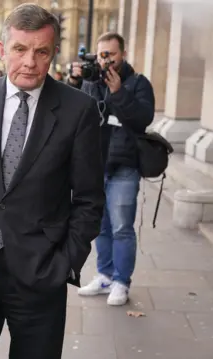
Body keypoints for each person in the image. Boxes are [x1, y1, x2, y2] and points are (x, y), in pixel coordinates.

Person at [0, 3, 104, 359]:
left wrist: (65, 263)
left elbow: (89, 199)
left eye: (41, 52)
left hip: (41, 273)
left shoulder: (79, 110)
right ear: (2, 49)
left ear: (53, 52)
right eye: (20, 49)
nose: (30, 62)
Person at [68, 32, 155, 306]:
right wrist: (76, 81)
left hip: (124, 166)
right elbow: (78, 114)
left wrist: (119, 92)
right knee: (101, 227)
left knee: (121, 228)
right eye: (101, 55)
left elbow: (142, 119)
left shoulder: (138, 83)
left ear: (123, 54)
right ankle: (104, 275)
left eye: (111, 55)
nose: (106, 61)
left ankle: (121, 281)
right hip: (94, 165)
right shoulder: (93, 80)